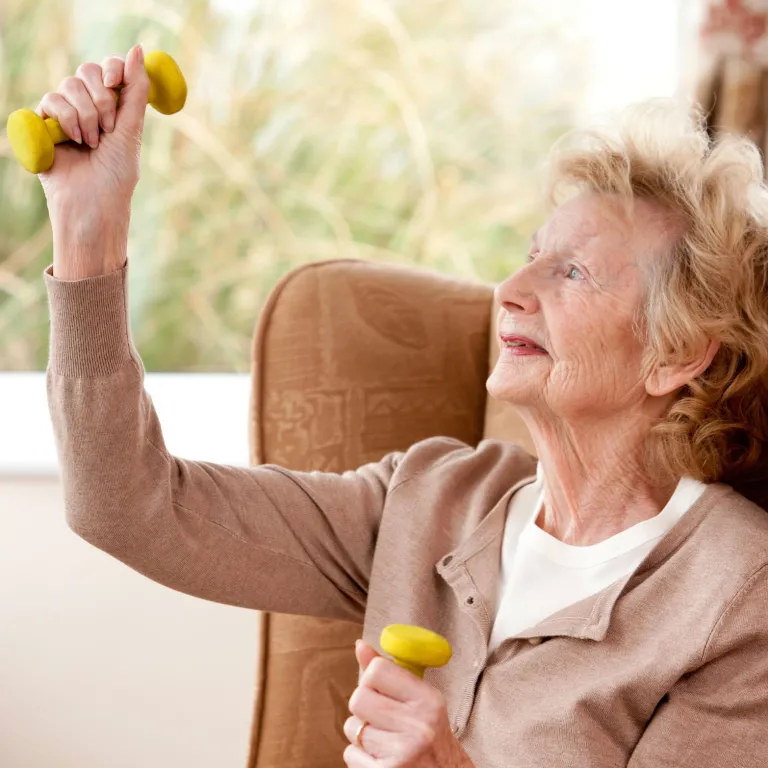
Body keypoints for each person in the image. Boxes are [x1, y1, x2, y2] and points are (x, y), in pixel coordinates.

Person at [40, 44, 768, 768]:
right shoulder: (430, 500)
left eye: (571, 271)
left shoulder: (739, 595)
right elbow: (125, 506)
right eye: (530, 253)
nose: (511, 289)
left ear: (677, 353)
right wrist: (87, 229)